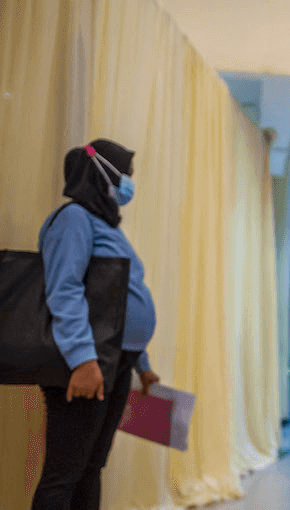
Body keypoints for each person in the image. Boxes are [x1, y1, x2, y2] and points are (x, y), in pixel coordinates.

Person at [32, 139, 159, 510]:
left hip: (116, 358)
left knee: (92, 467)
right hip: (88, 361)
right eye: (127, 174)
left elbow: (113, 303)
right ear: (104, 172)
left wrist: (142, 364)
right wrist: (83, 361)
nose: (130, 183)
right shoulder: (73, 219)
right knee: (64, 473)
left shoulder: (106, 226)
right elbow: (64, 290)